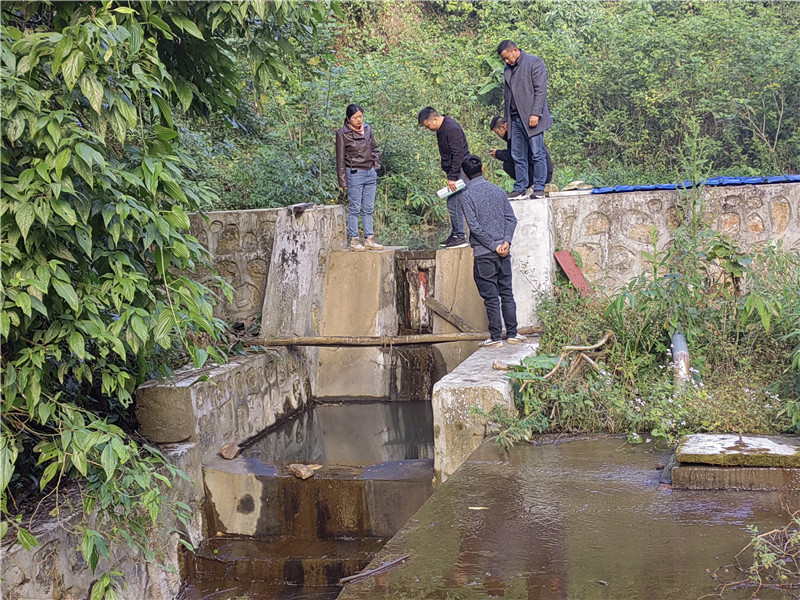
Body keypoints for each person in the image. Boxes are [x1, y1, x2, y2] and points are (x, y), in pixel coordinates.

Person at [459, 154, 526, 348]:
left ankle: (496, 338)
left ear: (464, 174)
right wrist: (505, 242)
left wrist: (492, 245)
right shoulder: (498, 190)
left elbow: (474, 227)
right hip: (503, 252)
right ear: (484, 169)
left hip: (483, 253)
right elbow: (511, 219)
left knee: (490, 297)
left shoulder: (467, 196)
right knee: (507, 292)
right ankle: (513, 333)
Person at [497, 40, 552, 200]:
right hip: (515, 119)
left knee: (537, 153)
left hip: (532, 118)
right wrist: (506, 119)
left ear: (515, 50)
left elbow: (540, 90)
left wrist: (536, 113)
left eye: (508, 58)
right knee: (517, 154)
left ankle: (539, 188)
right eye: (504, 60)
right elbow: (507, 97)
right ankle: (520, 187)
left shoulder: (534, 63)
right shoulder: (508, 70)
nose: (507, 61)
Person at [417, 107, 469, 249]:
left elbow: (458, 154)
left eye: (428, 126)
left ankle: (460, 235)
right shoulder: (441, 129)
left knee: (455, 203)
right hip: (454, 171)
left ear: (434, 119)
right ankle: (456, 233)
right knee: (453, 203)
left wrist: (452, 177)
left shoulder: (451, 128)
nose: (429, 129)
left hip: (460, 171)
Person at [336, 104, 383, 251]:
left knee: (369, 208)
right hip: (355, 173)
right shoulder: (342, 133)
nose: (359, 120)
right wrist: (343, 180)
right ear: (349, 119)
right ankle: (354, 240)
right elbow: (340, 159)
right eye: (355, 117)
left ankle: (369, 238)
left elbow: (374, 148)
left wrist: (376, 165)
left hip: (370, 172)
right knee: (355, 208)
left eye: (360, 116)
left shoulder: (367, 129)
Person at [489, 116, 553, 187]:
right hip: (543, 171)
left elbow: (514, 155)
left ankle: (527, 184)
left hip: (542, 172)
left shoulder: (517, 135)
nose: (498, 136)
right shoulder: (513, 136)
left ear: (503, 127)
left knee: (507, 165)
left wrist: (498, 153)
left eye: (497, 133)